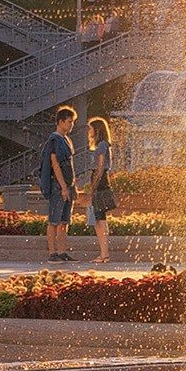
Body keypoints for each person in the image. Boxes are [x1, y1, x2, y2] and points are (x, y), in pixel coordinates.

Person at [42, 108, 79, 262]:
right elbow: (55, 164)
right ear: (61, 121)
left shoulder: (67, 140)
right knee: (54, 220)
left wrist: (73, 185)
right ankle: (52, 253)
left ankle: (62, 252)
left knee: (64, 221)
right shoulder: (54, 140)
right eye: (69, 121)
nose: (71, 124)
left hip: (68, 184)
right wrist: (63, 186)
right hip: (58, 185)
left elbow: (70, 165)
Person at [82, 116, 116, 264]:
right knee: (99, 219)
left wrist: (93, 185)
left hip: (100, 182)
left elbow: (101, 166)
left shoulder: (102, 144)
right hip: (101, 180)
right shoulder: (103, 144)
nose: (89, 131)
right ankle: (104, 254)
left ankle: (104, 254)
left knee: (99, 219)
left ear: (97, 129)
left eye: (90, 128)